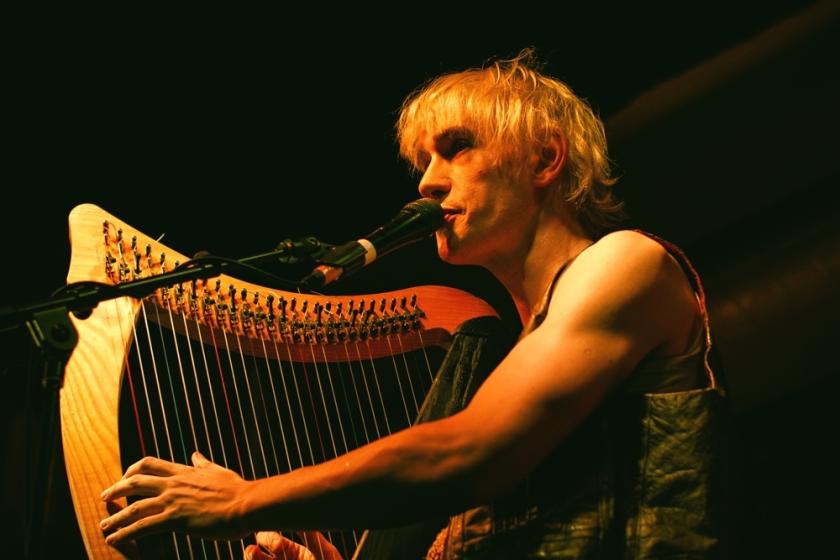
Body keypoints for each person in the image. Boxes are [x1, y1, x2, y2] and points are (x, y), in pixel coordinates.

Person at [99, 49, 728, 559]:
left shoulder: (625, 264)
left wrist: (243, 500)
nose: (428, 180)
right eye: (423, 161)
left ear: (544, 159)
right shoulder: (517, 355)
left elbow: (471, 454)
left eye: (457, 147)